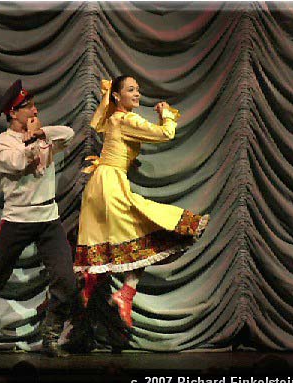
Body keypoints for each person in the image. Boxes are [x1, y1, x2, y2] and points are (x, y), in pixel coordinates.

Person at [74, 76, 210, 328]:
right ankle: (118, 295)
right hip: (109, 185)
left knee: (122, 246)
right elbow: (165, 134)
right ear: (116, 96)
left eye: (137, 89)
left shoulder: (115, 119)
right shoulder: (125, 119)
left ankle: (107, 297)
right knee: (147, 233)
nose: (137, 94)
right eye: (130, 90)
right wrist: (166, 114)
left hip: (100, 184)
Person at [0, 80, 79, 357]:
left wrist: (40, 133)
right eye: (28, 107)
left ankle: (50, 338)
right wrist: (33, 140)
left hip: (48, 218)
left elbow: (69, 134)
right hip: (18, 220)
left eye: (34, 105)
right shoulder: (1, 143)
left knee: (66, 281)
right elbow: (18, 162)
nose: (35, 110)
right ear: (14, 113)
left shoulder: (42, 135)